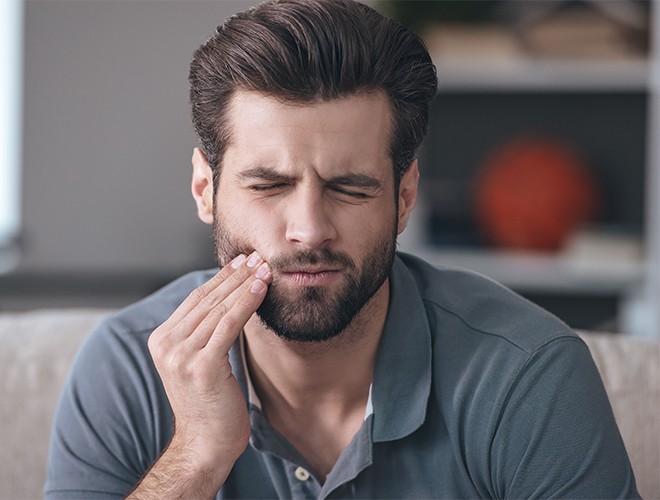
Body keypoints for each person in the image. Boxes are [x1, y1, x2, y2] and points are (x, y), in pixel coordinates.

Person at [46, 0, 639, 498]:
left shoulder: (525, 373)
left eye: (350, 189)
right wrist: (197, 458)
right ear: (206, 190)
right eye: (268, 186)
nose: (308, 230)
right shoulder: (126, 368)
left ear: (405, 197)